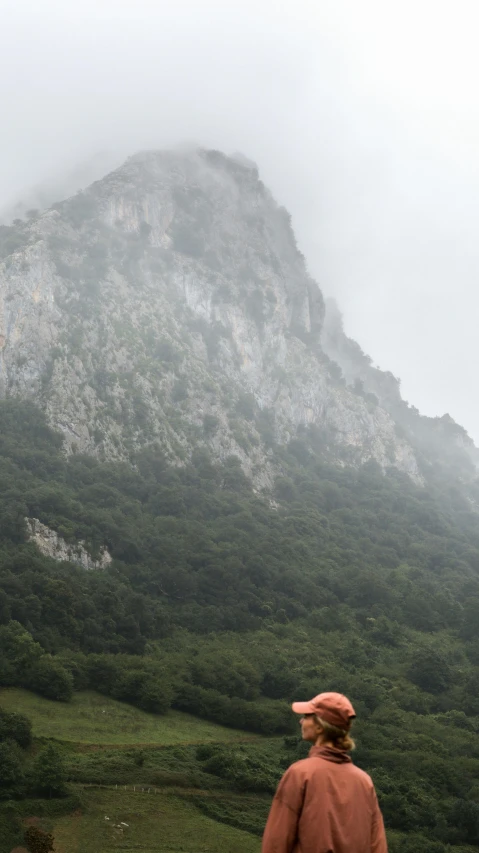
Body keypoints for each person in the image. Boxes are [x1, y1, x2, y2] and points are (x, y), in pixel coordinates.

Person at [262, 692, 388, 853]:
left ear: (320, 726)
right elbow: (378, 845)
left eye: (307, 716)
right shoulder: (364, 782)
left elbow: (276, 842)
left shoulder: (300, 773)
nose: (301, 720)